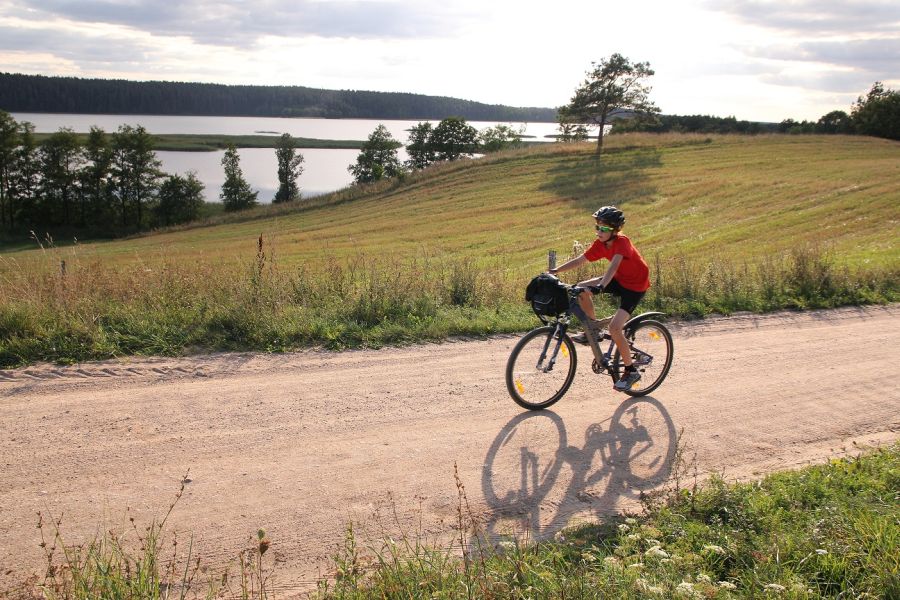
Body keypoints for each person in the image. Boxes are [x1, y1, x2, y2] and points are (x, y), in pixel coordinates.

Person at [548, 206, 650, 392]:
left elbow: (614, 265)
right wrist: (556, 271)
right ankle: (593, 330)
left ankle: (631, 371)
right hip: (620, 279)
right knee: (580, 289)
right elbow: (580, 260)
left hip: (635, 286)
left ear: (615, 230)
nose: (599, 232)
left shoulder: (622, 242)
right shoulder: (600, 244)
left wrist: (601, 285)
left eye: (603, 228)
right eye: (597, 227)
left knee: (615, 328)